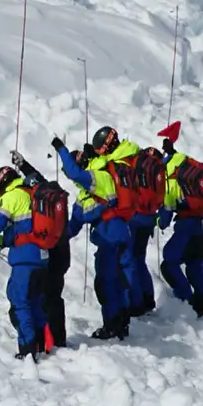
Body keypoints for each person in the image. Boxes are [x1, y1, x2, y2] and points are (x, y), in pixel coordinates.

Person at [54, 127, 157, 339]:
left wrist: (60, 148)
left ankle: (113, 325)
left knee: (106, 282)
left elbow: (73, 225)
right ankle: (125, 319)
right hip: (123, 232)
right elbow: (75, 223)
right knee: (123, 276)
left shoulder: (96, 179)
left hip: (109, 238)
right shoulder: (105, 175)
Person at [0, 163, 59, 359]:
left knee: (20, 302)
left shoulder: (11, 197)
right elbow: (18, 233)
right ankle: (43, 344)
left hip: (24, 261)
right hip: (42, 258)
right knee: (36, 302)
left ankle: (27, 348)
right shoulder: (32, 193)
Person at [12, 149, 89, 349]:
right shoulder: (52, 195)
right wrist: (23, 165)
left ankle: (48, 340)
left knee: (43, 297)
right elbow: (36, 176)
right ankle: (56, 338)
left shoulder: (38, 199)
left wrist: (22, 165)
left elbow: (33, 176)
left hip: (47, 253)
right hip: (63, 251)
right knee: (54, 295)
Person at [159, 133, 203, 316]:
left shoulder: (169, 177)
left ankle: (186, 302)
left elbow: (165, 220)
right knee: (194, 263)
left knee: (169, 262)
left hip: (189, 224)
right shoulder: (186, 162)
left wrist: (158, 220)